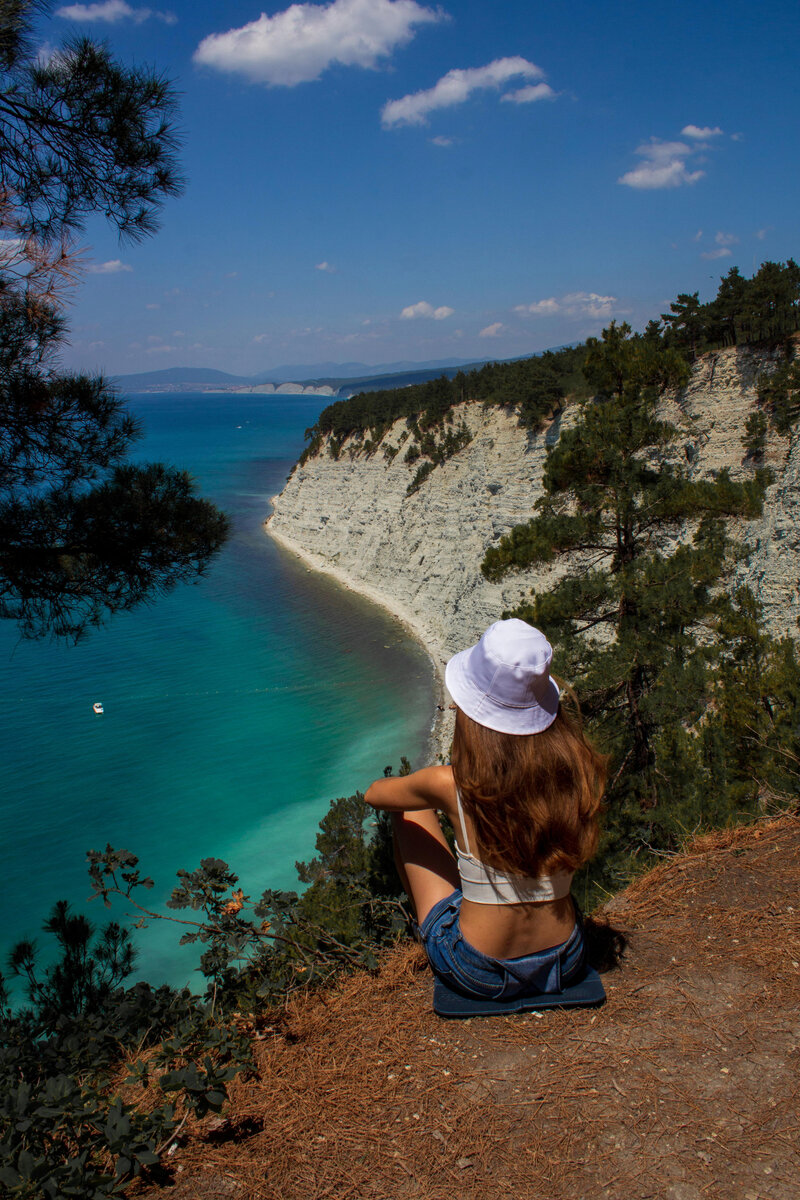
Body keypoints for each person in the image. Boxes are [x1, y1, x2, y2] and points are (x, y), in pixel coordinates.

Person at [365, 619, 606, 1001]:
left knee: (407, 809)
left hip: (479, 970)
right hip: (566, 957)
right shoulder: (575, 770)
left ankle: (427, 935)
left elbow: (375, 795)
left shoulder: (452, 783)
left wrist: (430, 792)